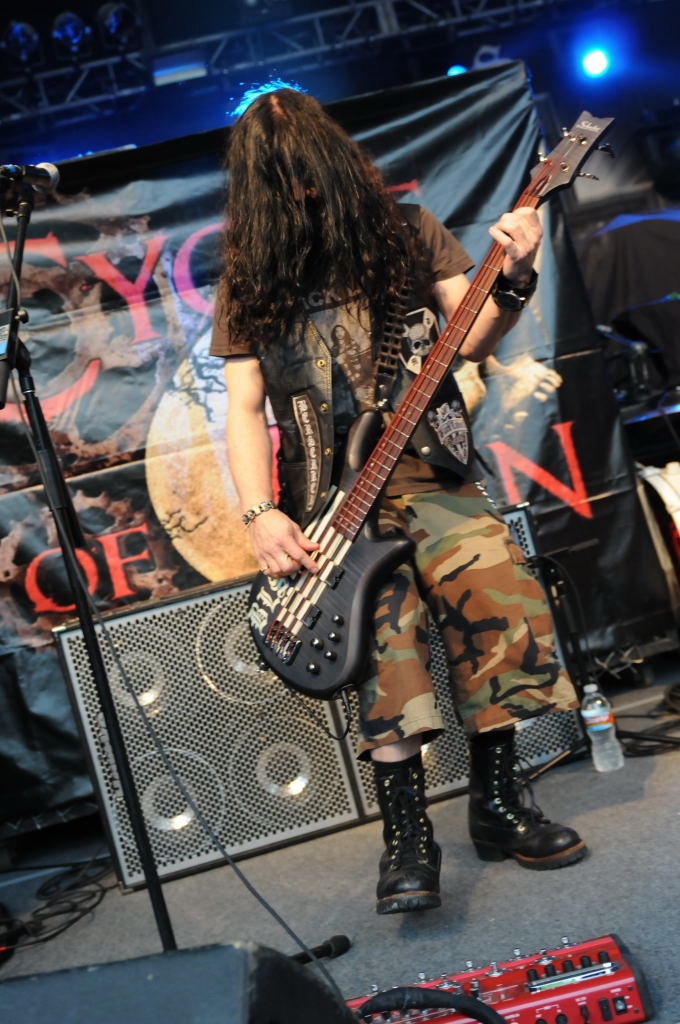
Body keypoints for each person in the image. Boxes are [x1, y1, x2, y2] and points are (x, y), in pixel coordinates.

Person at [210, 87, 586, 916]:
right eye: (282, 177)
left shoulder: (407, 231)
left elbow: (473, 335)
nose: (300, 188)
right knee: (385, 646)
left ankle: (498, 805)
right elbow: (242, 408)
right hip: (331, 502)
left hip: (434, 473)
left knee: (500, 609)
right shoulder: (249, 279)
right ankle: (407, 840)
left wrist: (515, 273)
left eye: (308, 170)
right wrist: (259, 513)